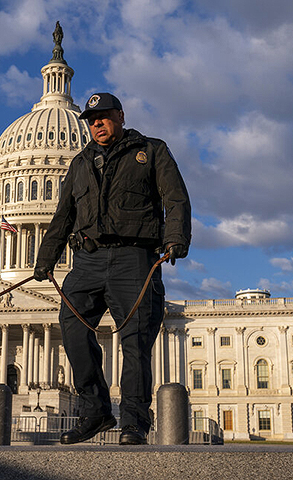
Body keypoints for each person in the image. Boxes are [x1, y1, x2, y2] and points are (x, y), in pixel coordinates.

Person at [34, 93, 191, 445]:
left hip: (134, 258)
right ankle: (96, 411)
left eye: (103, 117)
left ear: (120, 116)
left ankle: (134, 421)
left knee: (135, 341)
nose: (97, 125)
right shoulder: (79, 163)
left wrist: (176, 237)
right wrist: (45, 260)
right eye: (92, 120)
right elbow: (63, 217)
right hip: (87, 260)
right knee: (72, 328)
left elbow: (175, 198)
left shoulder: (151, 151)